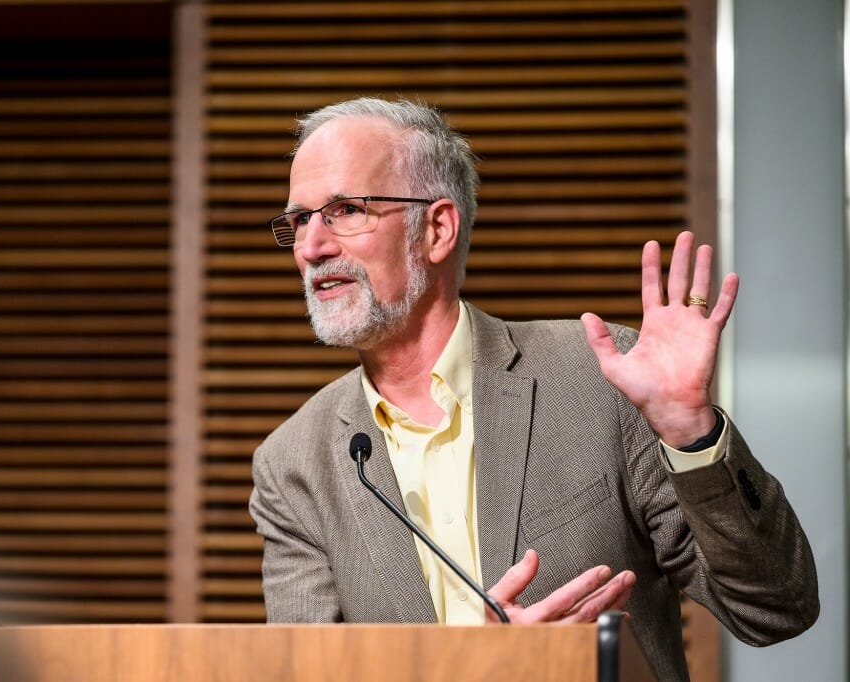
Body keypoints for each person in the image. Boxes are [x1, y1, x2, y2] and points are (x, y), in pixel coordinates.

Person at [248, 98, 818, 681]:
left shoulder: (602, 381)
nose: (311, 247)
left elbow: (775, 609)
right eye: (299, 220)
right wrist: (484, 667)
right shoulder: (294, 464)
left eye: (345, 210)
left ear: (438, 229)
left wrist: (689, 432)